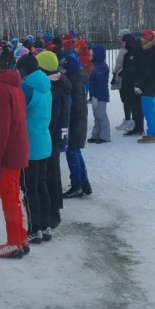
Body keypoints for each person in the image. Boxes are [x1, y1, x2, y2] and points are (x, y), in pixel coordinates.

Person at [0, 60, 32, 258]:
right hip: (18, 147)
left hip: (9, 152)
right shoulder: (14, 87)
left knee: (9, 197)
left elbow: (0, 129)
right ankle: (20, 238)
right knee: (14, 195)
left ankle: (14, 242)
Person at [15, 54, 54, 243]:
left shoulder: (26, 89)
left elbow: (19, 114)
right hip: (45, 141)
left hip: (30, 143)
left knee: (30, 188)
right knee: (42, 186)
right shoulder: (46, 86)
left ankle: (34, 228)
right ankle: (46, 226)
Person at [39, 50, 71, 220]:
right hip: (57, 135)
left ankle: (52, 212)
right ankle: (56, 203)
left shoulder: (53, 88)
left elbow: (53, 116)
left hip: (51, 136)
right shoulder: (59, 82)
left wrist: (47, 135)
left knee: (49, 173)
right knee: (54, 170)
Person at [60, 52, 92, 197]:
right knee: (76, 152)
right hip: (77, 122)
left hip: (75, 123)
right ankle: (84, 183)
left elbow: (77, 107)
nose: (62, 70)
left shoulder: (75, 83)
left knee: (72, 152)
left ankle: (77, 185)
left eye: (64, 68)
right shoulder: (75, 78)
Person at [134, 30, 155, 143]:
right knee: (149, 109)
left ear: (148, 38)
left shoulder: (150, 52)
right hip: (150, 82)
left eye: (143, 37)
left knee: (148, 109)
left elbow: (144, 70)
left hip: (148, 83)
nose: (141, 39)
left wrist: (137, 83)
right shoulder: (151, 50)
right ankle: (152, 132)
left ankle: (151, 134)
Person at [120, 33, 143, 137]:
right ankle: (136, 126)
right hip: (129, 83)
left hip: (132, 83)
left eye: (123, 41)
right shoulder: (130, 52)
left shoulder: (134, 53)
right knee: (134, 106)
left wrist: (121, 73)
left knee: (136, 107)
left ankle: (138, 127)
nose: (121, 42)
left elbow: (132, 70)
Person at [88, 45, 111, 144]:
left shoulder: (101, 67)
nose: (89, 56)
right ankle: (96, 135)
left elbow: (99, 84)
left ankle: (105, 136)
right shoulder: (97, 66)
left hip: (100, 96)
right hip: (96, 95)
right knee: (97, 116)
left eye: (91, 54)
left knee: (101, 116)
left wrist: (96, 96)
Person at [113, 29, 130, 131]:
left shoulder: (127, 49)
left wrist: (119, 71)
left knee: (127, 100)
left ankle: (129, 119)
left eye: (120, 36)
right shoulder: (122, 48)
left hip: (124, 77)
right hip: (119, 76)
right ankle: (127, 118)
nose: (118, 38)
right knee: (124, 100)